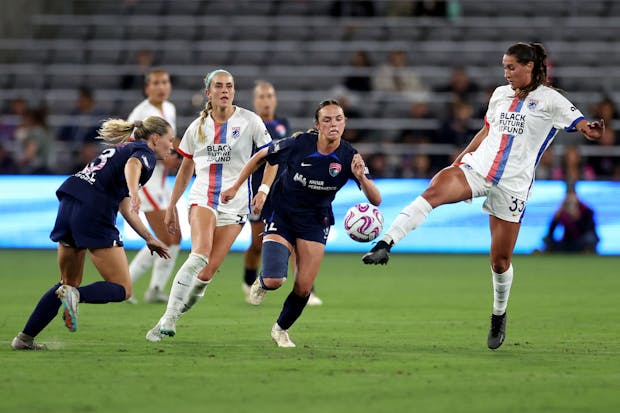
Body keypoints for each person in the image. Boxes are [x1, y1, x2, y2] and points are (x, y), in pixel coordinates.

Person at [362, 42, 605, 350]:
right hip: (478, 168)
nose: (506, 73)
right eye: (504, 67)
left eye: (511, 67)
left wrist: (590, 129)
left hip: (513, 185)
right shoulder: (500, 94)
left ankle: (498, 314)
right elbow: (486, 131)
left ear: (530, 67)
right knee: (435, 189)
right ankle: (385, 243)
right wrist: (458, 163)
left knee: (500, 261)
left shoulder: (551, 100)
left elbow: (581, 123)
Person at [221, 99, 381, 347]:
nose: (333, 124)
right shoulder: (299, 144)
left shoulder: (350, 156)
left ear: (345, 122)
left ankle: (280, 329)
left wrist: (362, 177)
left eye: (338, 119)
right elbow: (261, 157)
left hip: (315, 221)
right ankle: (263, 281)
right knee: (275, 281)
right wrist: (236, 186)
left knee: (304, 287)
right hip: (282, 213)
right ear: (317, 124)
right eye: (327, 120)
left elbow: (376, 199)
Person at [11, 116, 174, 350]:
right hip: (93, 210)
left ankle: (24, 339)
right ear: (155, 138)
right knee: (123, 288)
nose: (172, 145)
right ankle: (76, 296)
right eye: (169, 140)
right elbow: (133, 167)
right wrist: (134, 191)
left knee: (67, 282)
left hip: (69, 203)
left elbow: (125, 207)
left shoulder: (122, 148)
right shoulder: (144, 153)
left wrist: (148, 238)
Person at [145, 69, 272, 342]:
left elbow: (272, 158)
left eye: (229, 86)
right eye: (219, 86)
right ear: (209, 93)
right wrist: (171, 207)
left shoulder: (250, 121)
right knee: (199, 254)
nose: (225, 90)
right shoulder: (197, 127)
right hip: (203, 196)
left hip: (236, 205)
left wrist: (263, 190)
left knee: (205, 274)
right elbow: (184, 170)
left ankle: (170, 318)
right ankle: (168, 317)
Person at [126, 69, 182, 304]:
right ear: (147, 88)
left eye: (165, 82)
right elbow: (129, 142)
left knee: (175, 237)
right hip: (146, 179)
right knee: (163, 236)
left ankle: (156, 288)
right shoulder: (141, 112)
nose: (162, 86)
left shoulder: (169, 108)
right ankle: (124, 284)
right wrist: (159, 156)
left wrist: (176, 153)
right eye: (156, 83)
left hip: (162, 182)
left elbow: (170, 140)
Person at [542, 182, 599, 253]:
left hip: (581, 240)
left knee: (589, 238)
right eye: (568, 195)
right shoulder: (563, 210)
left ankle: (588, 252)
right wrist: (556, 217)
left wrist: (576, 217)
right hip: (568, 241)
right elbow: (550, 232)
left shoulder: (586, 210)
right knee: (546, 239)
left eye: (572, 195)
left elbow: (588, 229)